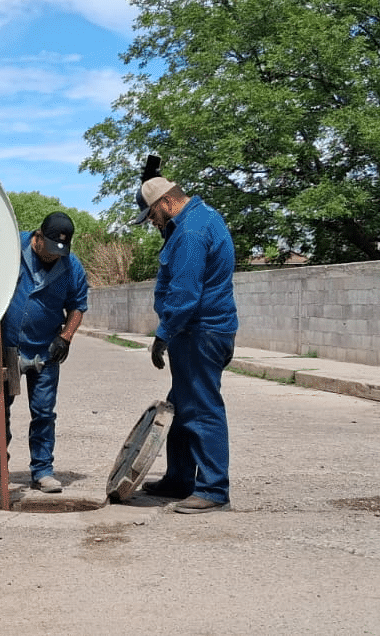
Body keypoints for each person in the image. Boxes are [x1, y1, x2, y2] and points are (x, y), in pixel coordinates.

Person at [133, 176, 238, 513]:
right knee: (179, 408)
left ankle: (213, 489)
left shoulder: (191, 233)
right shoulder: (199, 218)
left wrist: (163, 334)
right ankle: (180, 479)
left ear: (165, 202)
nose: (153, 223)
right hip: (198, 331)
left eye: (152, 216)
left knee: (202, 410)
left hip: (199, 333)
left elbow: (185, 293)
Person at [0, 211, 89, 494]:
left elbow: (78, 305)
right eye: (50, 249)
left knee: (43, 412)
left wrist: (65, 337)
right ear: (38, 237)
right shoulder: (11, 250)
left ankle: (42, 470)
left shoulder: (71, 267)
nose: (54, 256)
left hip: (45, 351)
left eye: (60, 252)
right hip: (6, 349)